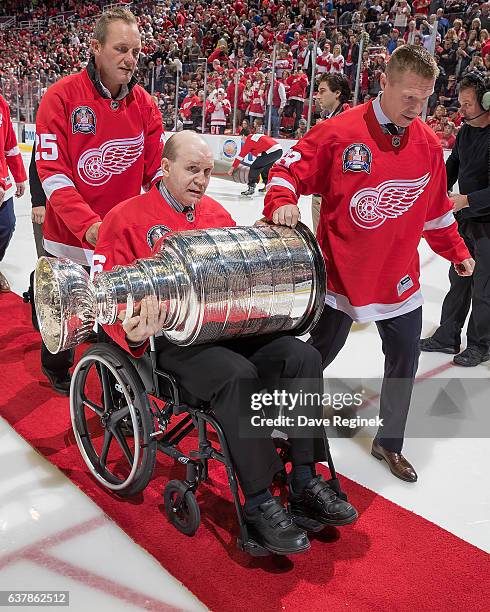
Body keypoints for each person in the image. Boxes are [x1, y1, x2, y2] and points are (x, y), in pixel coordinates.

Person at [94, 130, 358, 556]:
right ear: (164, 167)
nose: (201, 180)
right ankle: (257, 503)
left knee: (302, 356)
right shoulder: (125, 219)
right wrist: (129, 333)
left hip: (233, 331)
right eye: (191, 169)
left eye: (206, 171)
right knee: (239, 376)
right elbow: (103, 293)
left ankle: (305, 479)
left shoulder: (216, 213)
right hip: (175, 347)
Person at [264, 45, 474, 483]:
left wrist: (457, 252)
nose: (417, 108)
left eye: (426, 98)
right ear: (384, 83)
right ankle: (283, 419)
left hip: (398, 280)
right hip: (340, 276)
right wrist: (283, 201)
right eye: (409, 97)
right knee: (316, 355)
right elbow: (288, 169)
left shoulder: (429, 146)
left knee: (404, 360)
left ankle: (390, 442)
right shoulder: (339, 132)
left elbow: (435, 213)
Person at [34, 8, 164, 394]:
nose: (130, 59)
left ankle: (112, 385)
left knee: (115, 318)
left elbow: (154, 172)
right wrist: (88, 225)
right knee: (66, 313)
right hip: (71, 235)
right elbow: (53, 173)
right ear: (95, 48)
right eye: (121, 49)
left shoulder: (144, 105)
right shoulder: (61, 97)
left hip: (118, 236)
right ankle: (56, 367)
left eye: (136, 51)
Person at [420, 73, 490, 367]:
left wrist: (468, 200)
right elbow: (453, 165)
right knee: (459, 278)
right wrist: (437, 189)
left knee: (484, 288)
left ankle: (480, 345)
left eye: (469, 104)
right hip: (466, 219)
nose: (462, 110)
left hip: (487, 223)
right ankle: (447, 336)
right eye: (460, 103)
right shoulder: (466, 132)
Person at [311, 73, 351, 233]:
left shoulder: (344, 120)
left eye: (322, 91)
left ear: (337, 93)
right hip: (326, 193)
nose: (317, 96)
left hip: (333, 196)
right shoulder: (333, 119)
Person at [0, 93, 27, 292]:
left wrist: (19, 176)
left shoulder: (1, 102)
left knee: (7, 225)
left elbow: (9, 143)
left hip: (3, 183)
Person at [228, 130, 283, 196]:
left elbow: (240, 156)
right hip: (278, 151)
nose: (242, 140)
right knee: (265, 168)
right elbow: (260, 153)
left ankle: (251, 187)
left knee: (254, 167)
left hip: (271, 152)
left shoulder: (249, 140)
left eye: (241, 138)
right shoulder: (256, 136)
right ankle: (268, 186)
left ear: (243, 135)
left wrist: (232, 169)